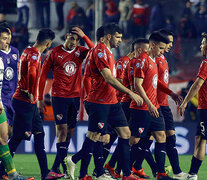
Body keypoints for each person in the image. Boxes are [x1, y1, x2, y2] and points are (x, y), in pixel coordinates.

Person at [66, 23, 143, 180]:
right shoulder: (101, 51)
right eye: (118, 37)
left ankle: (126, 174)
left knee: (125, 133)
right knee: (94, 136)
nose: (120, 41)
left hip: (111, 101)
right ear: (109, 36)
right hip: (99, 101)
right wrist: (130, 92)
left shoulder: (106, 51)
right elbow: (108, 78)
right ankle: (84, 174)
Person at [7, 29, 64, 180]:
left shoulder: (27, 50)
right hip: (24, 100)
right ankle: (2, 171)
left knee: (39, 134)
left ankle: (45, 173)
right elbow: (32, 73)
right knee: (18, 137)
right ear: (48, 43)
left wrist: (35, 97)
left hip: (27, 101)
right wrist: (32, 91)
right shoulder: (34, 54)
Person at [38, 26, 94, 177]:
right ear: (66, 36)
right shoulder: (54, 52)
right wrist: (40, 98)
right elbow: (43, 76)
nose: (74, 42)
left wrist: (85, 36)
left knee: (69, 132)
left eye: (77, 40)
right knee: (61, 130)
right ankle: (58, 168)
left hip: (75, 97)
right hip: (59, 96)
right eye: (72, 38)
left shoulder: (81, 51)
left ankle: (59, 165)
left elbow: (96, 52)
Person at [129, 31, 172, 180]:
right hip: (141, 108)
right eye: (160, 48)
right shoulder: (143, 59)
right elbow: (137, 85)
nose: (162, 51)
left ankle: (161, 174)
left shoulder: (154, 60)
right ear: (152, 45)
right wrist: (149, 104)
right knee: (134, 140)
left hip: (155, 107)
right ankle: (125, 170)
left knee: (161, 136)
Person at [0, 26, 33, 180]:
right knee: (4, 136)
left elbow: (18, 74)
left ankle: (5, 171)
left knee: (10, 134)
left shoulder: (14, 52)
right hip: (1, 99)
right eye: (4, 38)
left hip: (13, 98)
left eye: (9, 38)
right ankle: (8, 173)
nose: (7, 41)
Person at [178, 32, 207, 180]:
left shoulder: (205, 63)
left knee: (202, 139)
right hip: (203, 108)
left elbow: (197, 85)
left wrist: (184, 102)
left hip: (205, 108)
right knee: (198, 139)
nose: (201, 46)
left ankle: (193, 174)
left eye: (203, 43)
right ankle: (192, 174)